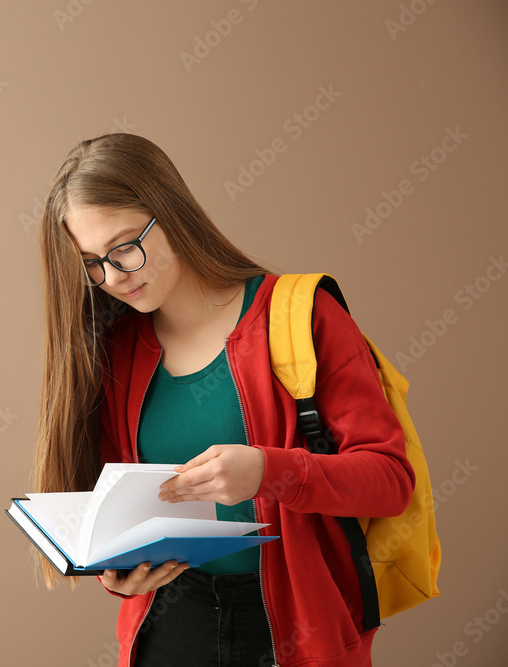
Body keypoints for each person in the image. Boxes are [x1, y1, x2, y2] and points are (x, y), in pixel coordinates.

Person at [30, 133, 414, 667]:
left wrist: (268, 471)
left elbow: (390, 482)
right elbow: (120, 504)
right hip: (168, 625)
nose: (113, 277)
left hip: (297, 624)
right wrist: (118, 569)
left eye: (123, 247)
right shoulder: (116, 350)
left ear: (172, 212)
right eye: (93, 262)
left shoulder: (301, 316)